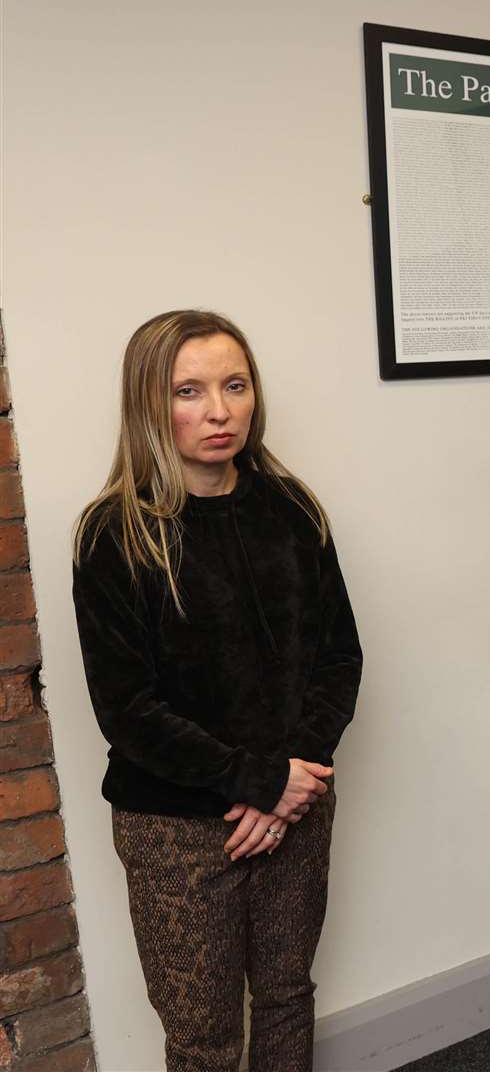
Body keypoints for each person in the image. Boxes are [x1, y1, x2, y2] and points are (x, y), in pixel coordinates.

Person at [71, 310, 363, 1071]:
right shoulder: (115, 534)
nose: (219, 410)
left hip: (297, 802)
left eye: (235, 386)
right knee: (202, 1041)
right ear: (149, 404)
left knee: (287, 999)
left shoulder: (293, 510)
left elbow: (339, 657)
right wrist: (260, 782)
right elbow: (129, 711)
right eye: (189, 391)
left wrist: (291, 783)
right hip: (177, 831)